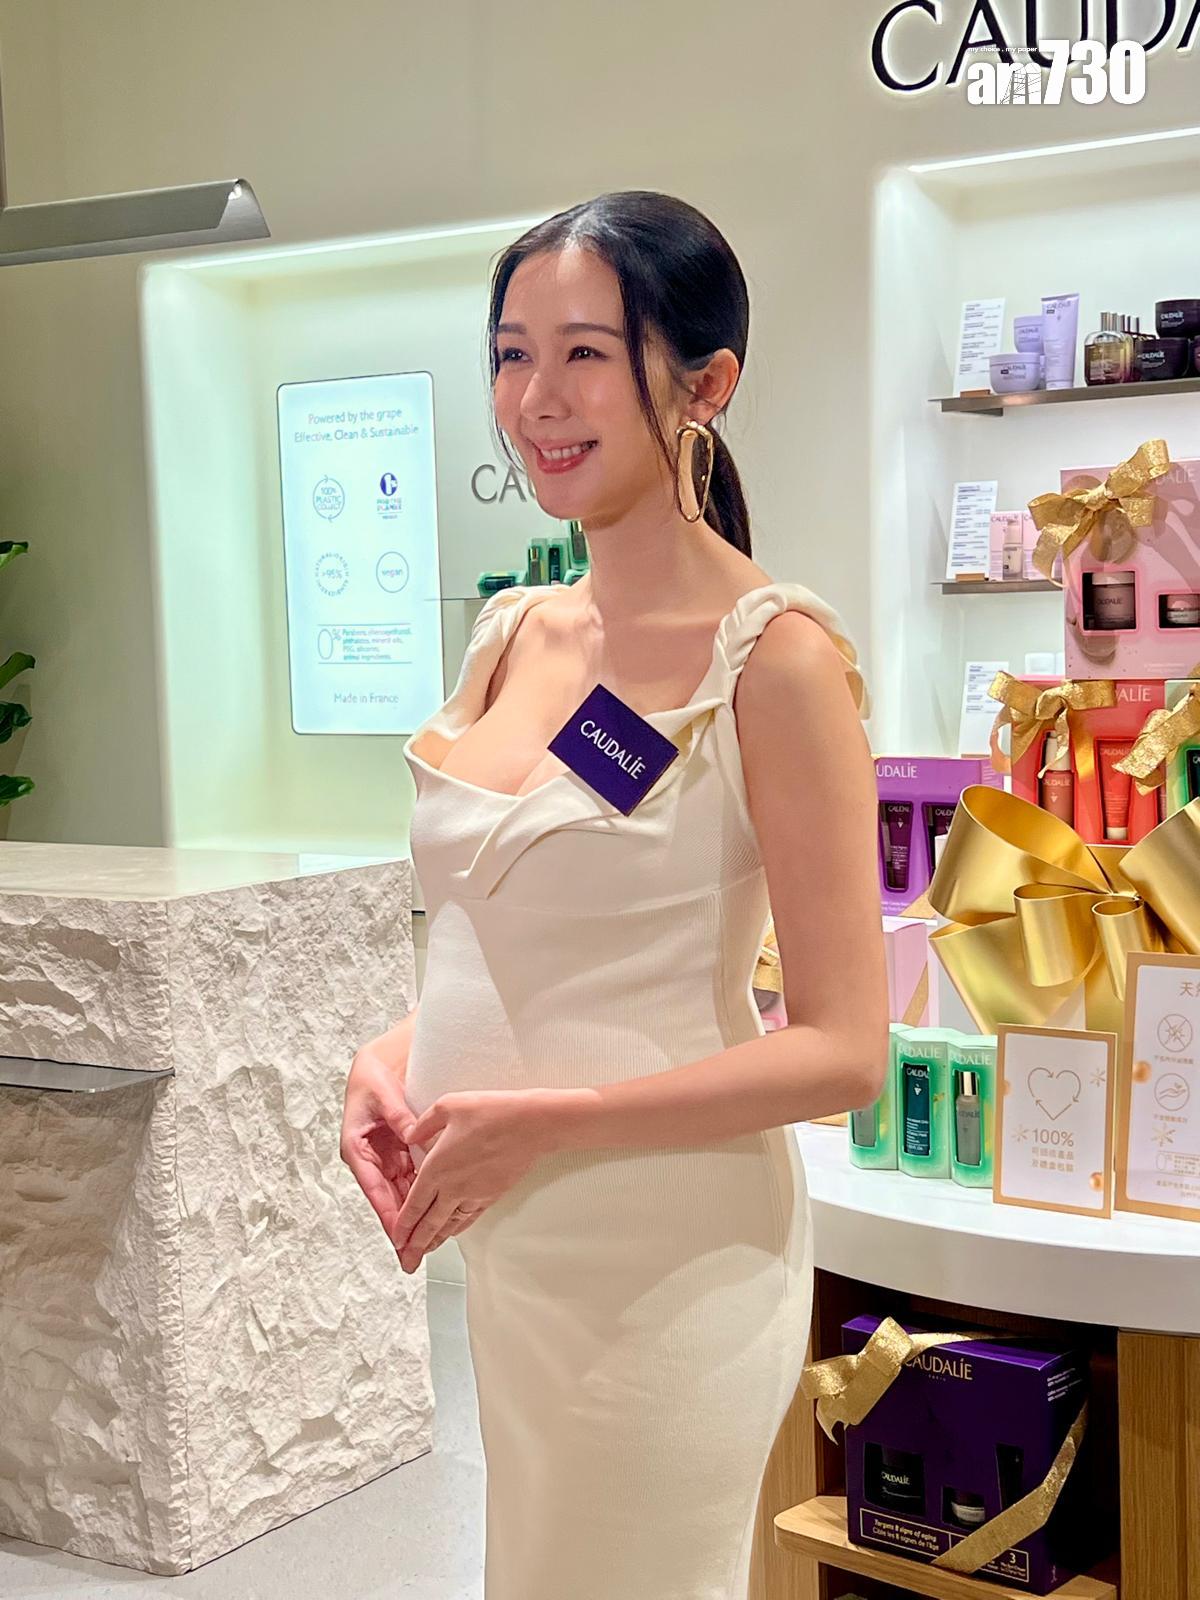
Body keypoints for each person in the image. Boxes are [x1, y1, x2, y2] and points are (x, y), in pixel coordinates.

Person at [340, 189, 889, 1600]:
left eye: (586, 353)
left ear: (707, 384)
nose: (537, 400)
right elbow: (515, 922)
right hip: (511, 1249)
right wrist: (399, 1053)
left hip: (665, 1260)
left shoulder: (776, 660)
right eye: (511, 354)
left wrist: (550, 1122)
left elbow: (845, 1051)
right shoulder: (516, 631)